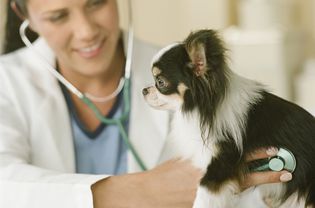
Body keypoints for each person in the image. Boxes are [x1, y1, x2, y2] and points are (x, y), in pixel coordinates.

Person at [0, 0, 292, 207]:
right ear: (23, 13)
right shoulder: (7, 82)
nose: (86, 30)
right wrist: (141, 191)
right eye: (58, 16)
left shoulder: (187, 78)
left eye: (97, 3)